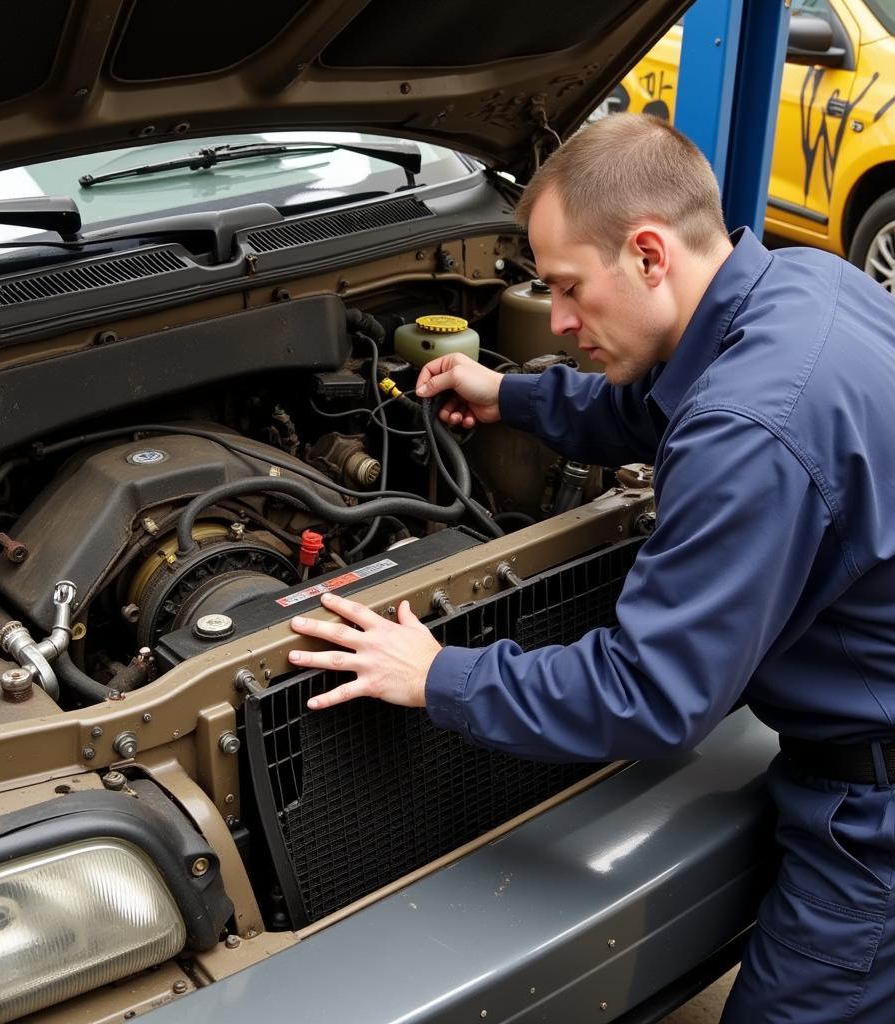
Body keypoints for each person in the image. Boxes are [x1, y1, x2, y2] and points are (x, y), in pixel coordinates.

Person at [288, 112, 895, 1023]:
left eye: (569, 288)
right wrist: (512, 396)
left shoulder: (751, 428)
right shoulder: (802, 284)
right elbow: (666, 400)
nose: (561, 320)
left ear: (650, 255)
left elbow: (652, 696)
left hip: (870, 814)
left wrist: (438, 674)